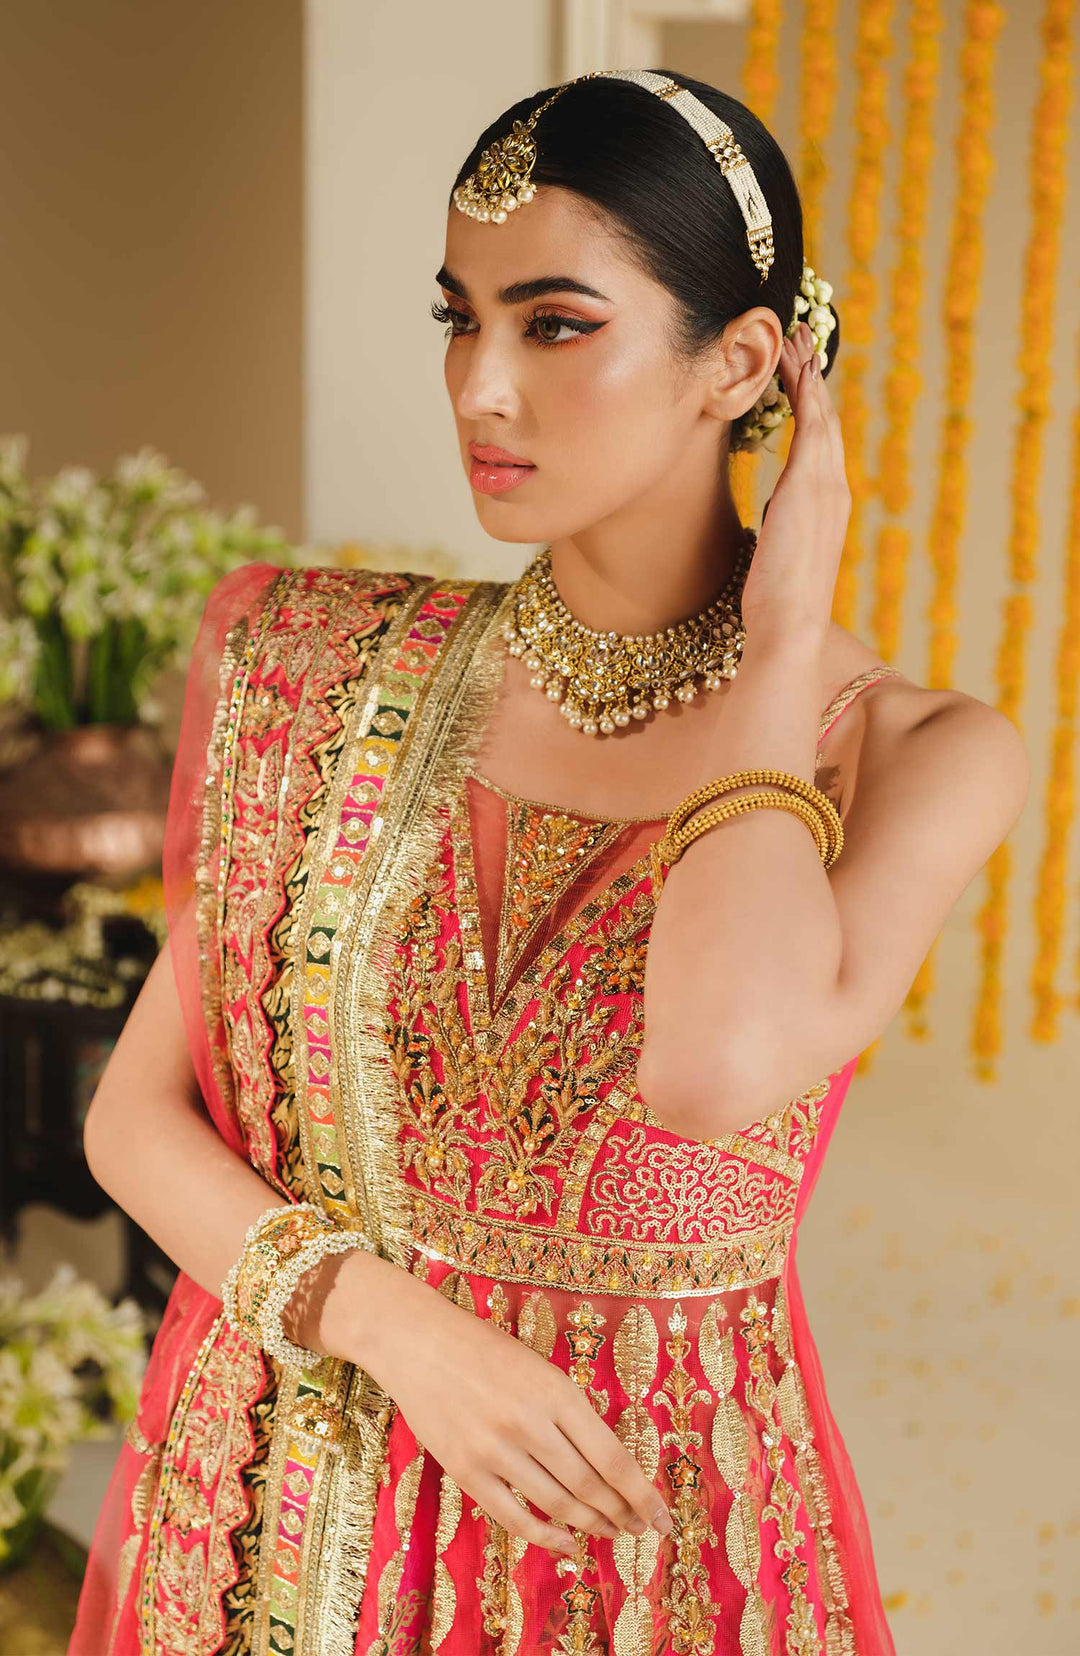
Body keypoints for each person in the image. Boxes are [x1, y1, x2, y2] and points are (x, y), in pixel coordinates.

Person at [71, 69, 1028, 1656]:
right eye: (459, 317)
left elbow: (712, 1069)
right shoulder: (334, 682)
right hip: (303, 1505)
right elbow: (130, 1121)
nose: (481, 386)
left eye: (556, 324)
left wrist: (783, 635)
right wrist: (403, 1333)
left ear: (742, 363)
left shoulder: (916, 752)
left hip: (644, 1549)